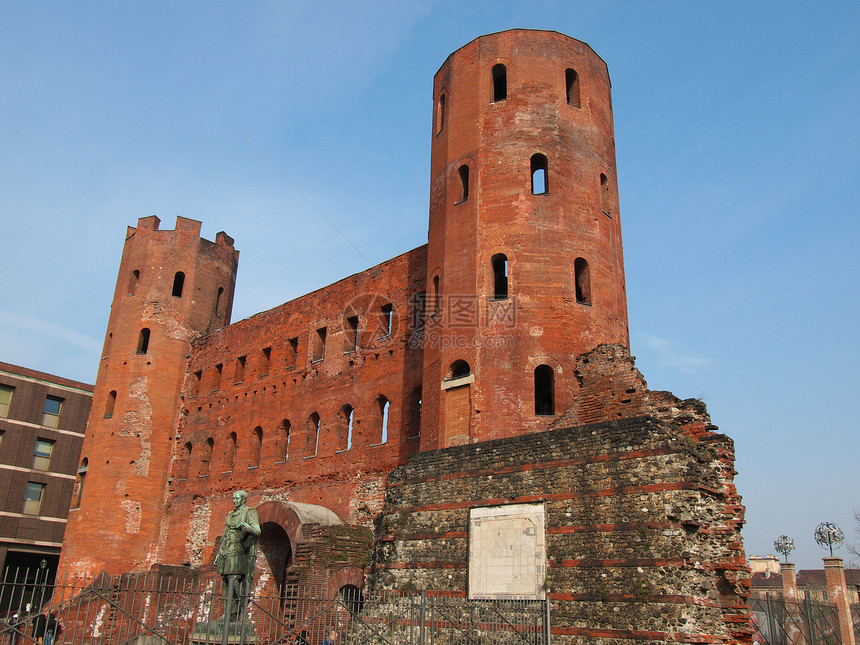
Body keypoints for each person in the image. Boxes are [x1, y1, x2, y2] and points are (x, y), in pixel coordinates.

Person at [213, 490, 260, 621]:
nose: (234, 500)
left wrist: (248, 528)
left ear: (243, 499)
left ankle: (242, 609)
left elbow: (258, 531)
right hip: (226, 551)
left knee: (235, 581)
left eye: (237, 498)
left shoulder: (249, 512)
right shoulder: (231, 514)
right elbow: (226, 534)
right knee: (226, 582)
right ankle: (228, 614)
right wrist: (219, 553)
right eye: (233, 498)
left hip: (238, 551)